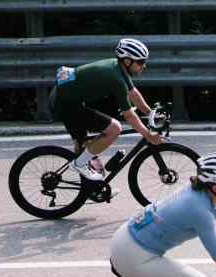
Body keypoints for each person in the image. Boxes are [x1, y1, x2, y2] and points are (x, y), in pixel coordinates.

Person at [51, 38, 161, 181]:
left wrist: (151, 113)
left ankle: (89, 186)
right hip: (64, 104)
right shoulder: (116, 79)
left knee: (86, 150)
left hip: (66, 98)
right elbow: (129, 115)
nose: (144, 66)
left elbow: (133, 93)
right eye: (140, 62)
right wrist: (148, 135)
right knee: (114, 128)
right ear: (127, 61)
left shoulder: (118, 67)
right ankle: (79, 164)